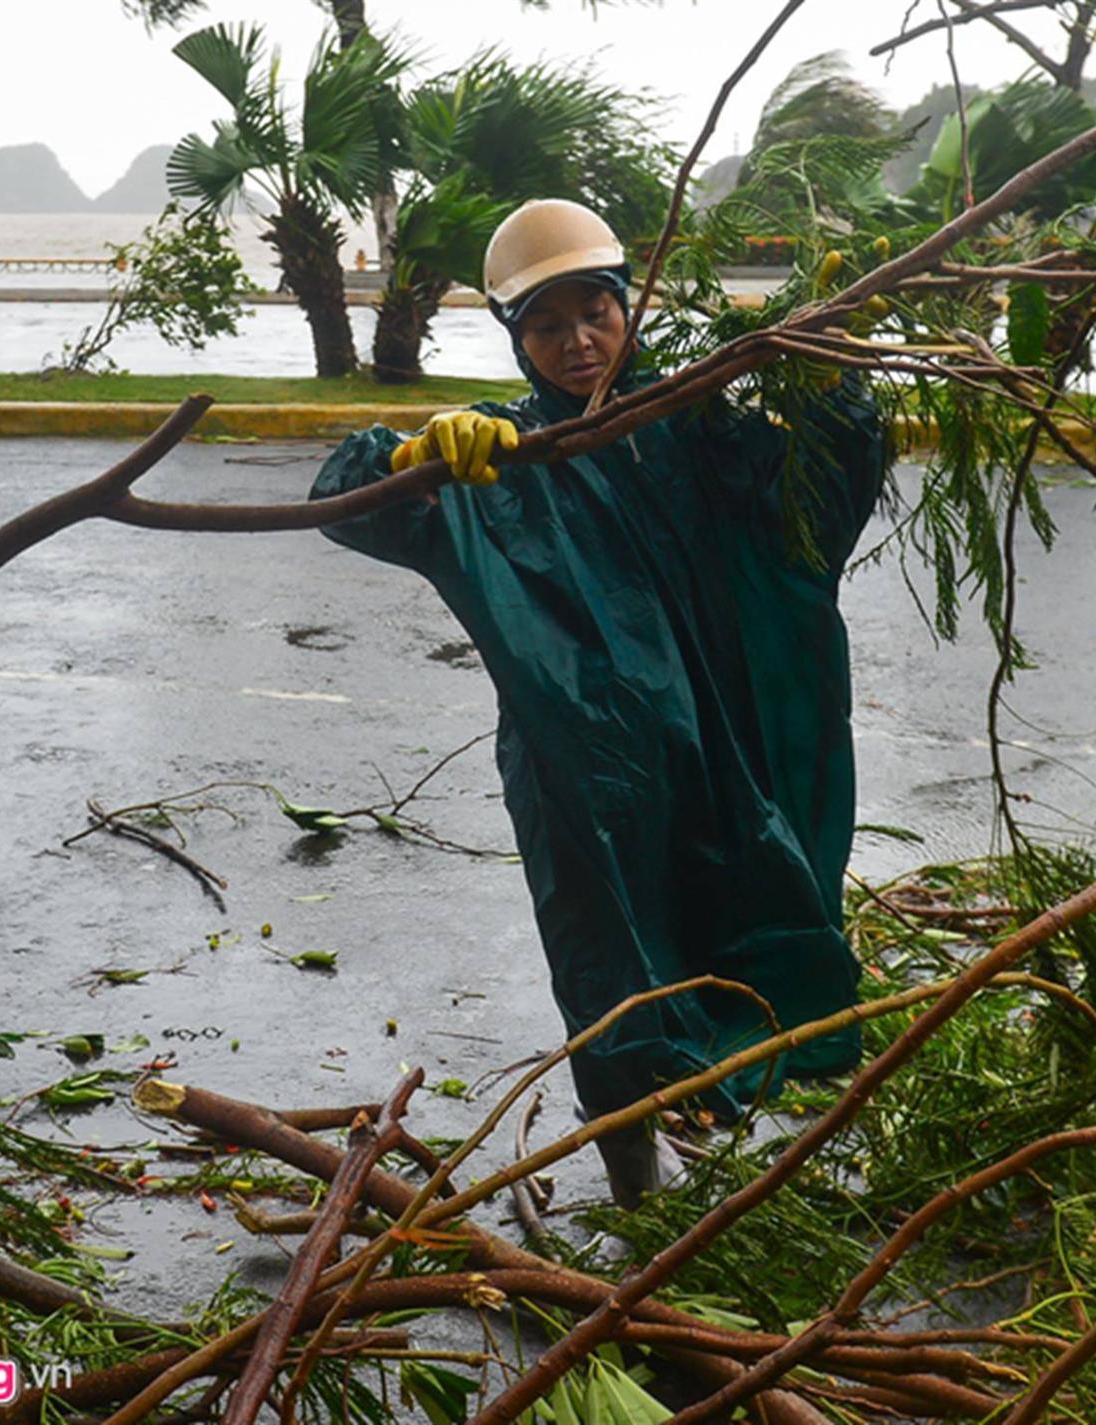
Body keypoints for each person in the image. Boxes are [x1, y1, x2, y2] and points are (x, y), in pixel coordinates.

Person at [309, 199, 888, 1207]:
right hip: (585, 762)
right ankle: (631, 1173)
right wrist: (407, 459)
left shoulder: (694, 425)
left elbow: (813, 498)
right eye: (544, 324)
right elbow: (347, 501)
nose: (575, 342)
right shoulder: (503, 461)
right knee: (607, 957)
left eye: (594, 313)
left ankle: (726, 1109)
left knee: (750, 911)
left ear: (628, 309)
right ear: (513, 338)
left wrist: (831, 380)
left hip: (727, 742)